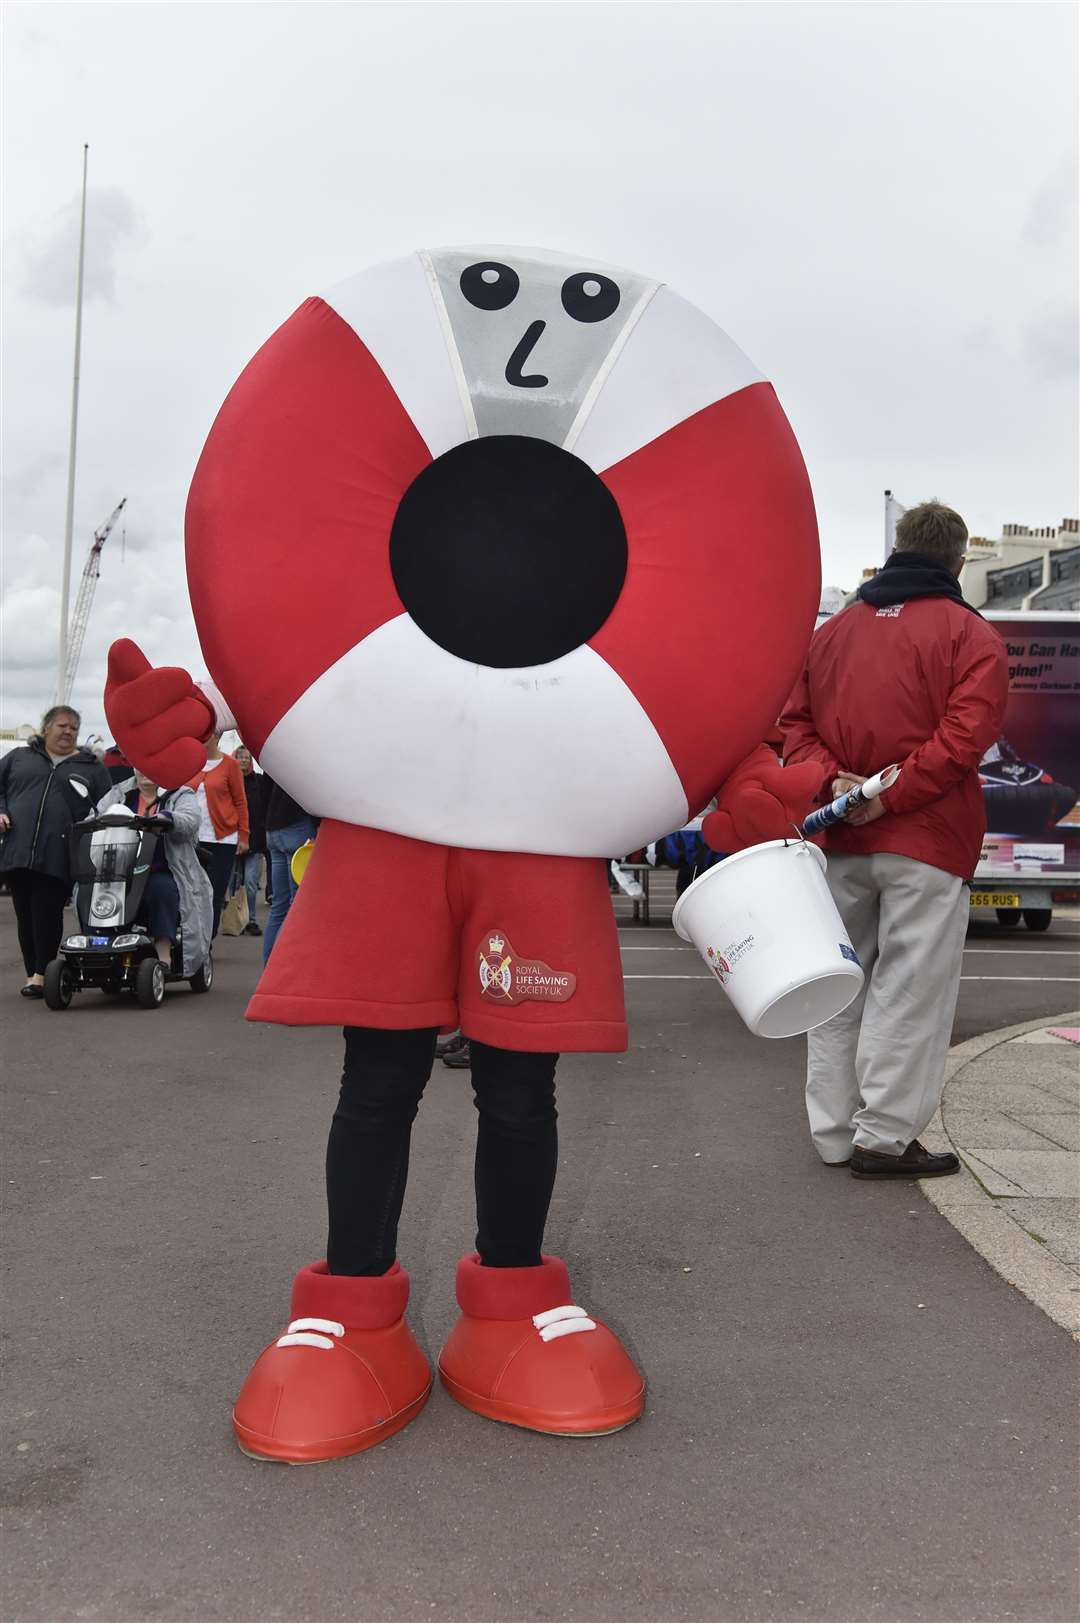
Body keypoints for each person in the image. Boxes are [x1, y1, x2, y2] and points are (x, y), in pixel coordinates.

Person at [781, 500, 1010, 1179]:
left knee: (839, 985)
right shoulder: (973, 637)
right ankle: (882, 1136)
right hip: (928, 840)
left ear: (896, 550)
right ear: (960, 562)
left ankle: (829, 1132)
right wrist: (886, 795)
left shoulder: (830, 633)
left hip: (839, 839)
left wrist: (839, 789)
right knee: (911, 991)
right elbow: (962, 742)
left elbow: (795, 726)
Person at [0, 706, 111, 997]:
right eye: (63, 725)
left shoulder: (91, 767)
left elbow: (110, 806)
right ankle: (33, 973)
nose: (69, 732)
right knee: (25, 914)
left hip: (60, 853)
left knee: (46, 912)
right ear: (46, 728)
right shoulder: (19, 758)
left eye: (74, 728)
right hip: (18, 849)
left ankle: (42, 974)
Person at [95, 771, 214, 975]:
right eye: (139, 766)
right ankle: (102, 950)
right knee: (91, 893)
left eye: (150, 766)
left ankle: (163, 952)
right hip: (121, 870)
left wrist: (168, 818)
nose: (145, 771)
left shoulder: (180, 793)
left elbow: (191, 820)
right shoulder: (120, 792)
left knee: (162, 889)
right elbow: (96, 816)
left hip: (163, 868)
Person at [186, 734, 249, 937]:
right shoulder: (191, 762)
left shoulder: (230, 765)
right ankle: (192, 937)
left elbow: (240, 801)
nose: (201, 738)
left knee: (213, 892)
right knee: (192, 891)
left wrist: (244, 836)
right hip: (194, 838)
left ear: (216, 736)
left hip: (223, 838)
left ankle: (207, 939)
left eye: (206, 734)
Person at [261, 776, 316, 962]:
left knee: (279, 906)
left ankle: (269, 968)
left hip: (273, 827)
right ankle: (283, 966)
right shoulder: (310, 754)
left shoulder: (279, 749)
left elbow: (264, 789)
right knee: (297, 906)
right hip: (297, 825)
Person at [231, 745, 267, 936]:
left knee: (251, 882)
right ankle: (235, 920)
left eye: (246, 758)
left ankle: (251, 920)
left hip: (254, 839)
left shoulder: (258, 782)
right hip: (232, 839)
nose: (244, 760)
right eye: (240, 757)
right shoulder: (229, 781)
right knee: (234, 884)